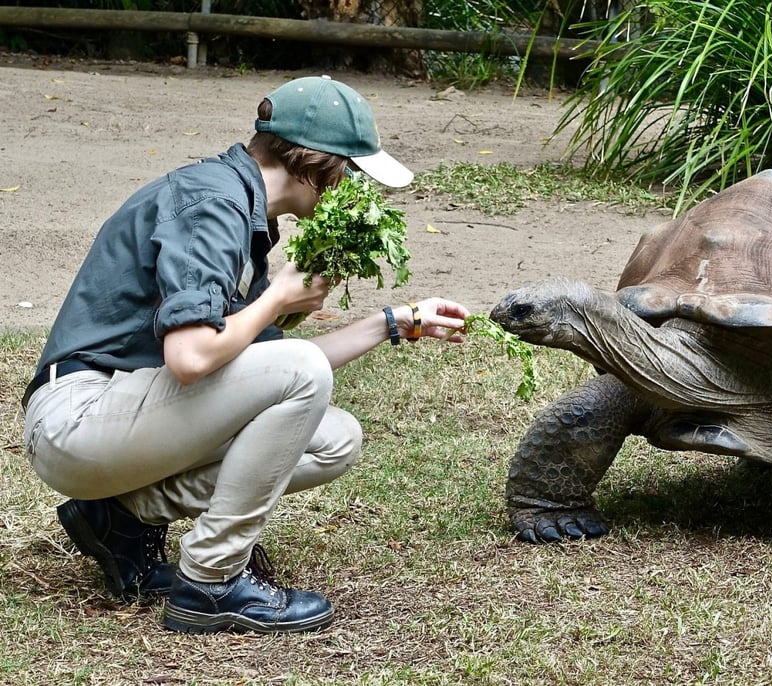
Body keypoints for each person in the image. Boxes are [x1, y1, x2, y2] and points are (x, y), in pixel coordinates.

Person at [20, 75, 469, 634]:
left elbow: (266, 367)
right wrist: (278, 296)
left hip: (119, 419)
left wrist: (394, 324)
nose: (355, 190)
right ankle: (210, 583)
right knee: (300, 372)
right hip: (77, 420)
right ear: (318, 162)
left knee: (334, 438)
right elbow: (190, 358)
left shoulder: (246, 213)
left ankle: (123, 516)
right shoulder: (214, 204)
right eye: (353, 173)